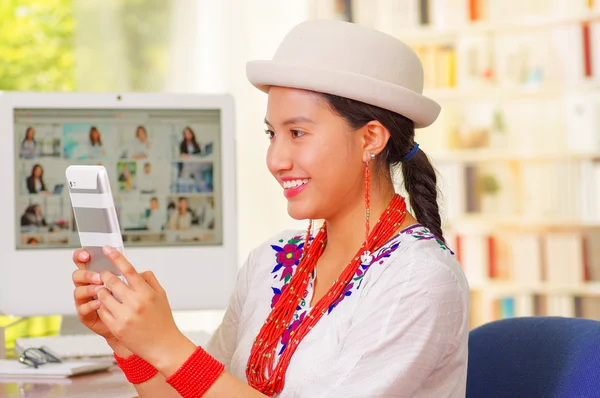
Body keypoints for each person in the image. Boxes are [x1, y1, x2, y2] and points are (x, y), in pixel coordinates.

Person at [71, 20, 469, 397]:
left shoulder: (419, 280)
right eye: (271, 133)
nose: (276, 159)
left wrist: (169, 345)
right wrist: (131, 344)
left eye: (297, 133)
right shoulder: (272, 260)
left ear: (370, 138)